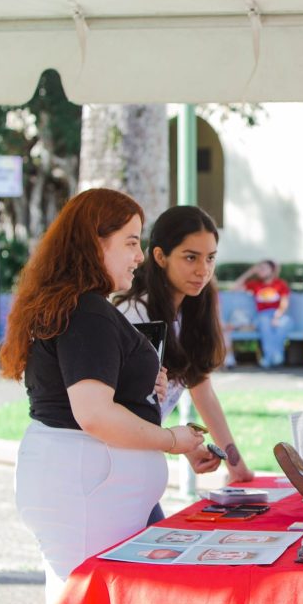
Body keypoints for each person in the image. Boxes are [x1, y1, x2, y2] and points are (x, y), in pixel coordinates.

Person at [0, 188, 205, 604]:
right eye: (130, 242)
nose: (140, 255)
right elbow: (92, 412)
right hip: (86, 487)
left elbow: (95, 391)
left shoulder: (76, 306)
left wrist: (145, 381)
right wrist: (172, 439)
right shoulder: (86, 311)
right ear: (96, 243)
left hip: (82, 484)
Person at [114, 204, 255, 522]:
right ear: (160, 257)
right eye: (190, 257)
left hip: (140, 465)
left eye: (210, 258)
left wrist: (235, 463)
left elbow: (202, 389)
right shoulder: (137, 315)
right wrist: (176, 443)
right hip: (113, 469)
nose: (203, 270)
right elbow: (119, 409)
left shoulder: (192, 310)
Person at [234, 259, 291, 368]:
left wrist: (277, 316)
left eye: (264, 268)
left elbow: (284, 302)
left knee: (282, 324)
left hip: (278, 314)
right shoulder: (255, 284)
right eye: (259, 268)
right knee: (265, 322)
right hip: (262, 315)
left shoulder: (280, 284)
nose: (261, 271)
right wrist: (250, 272)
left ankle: (270, 357)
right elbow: (235, 287)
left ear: (272, 270)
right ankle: (275, 356)